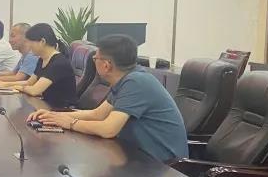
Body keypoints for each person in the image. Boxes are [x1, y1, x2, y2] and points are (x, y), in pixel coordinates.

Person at [29, 34, 189, 162]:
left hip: (163, 165)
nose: (93, 62)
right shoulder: (126, 79)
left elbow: (108, 129)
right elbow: (97, 114)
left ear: (106, 65)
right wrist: (54, 116)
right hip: (137, 155)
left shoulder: (136, 82)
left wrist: (70, 123)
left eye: (95, 59)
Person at [7, 23, 77, 108]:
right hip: (47, 105)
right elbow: (29, 82)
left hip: (62, 110)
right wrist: (4, 85)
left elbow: (34, 90)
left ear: (42, 41)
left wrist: (16, 87)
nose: (29, 46)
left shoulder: (58, 63)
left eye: (31, 42)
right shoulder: (42, 59)